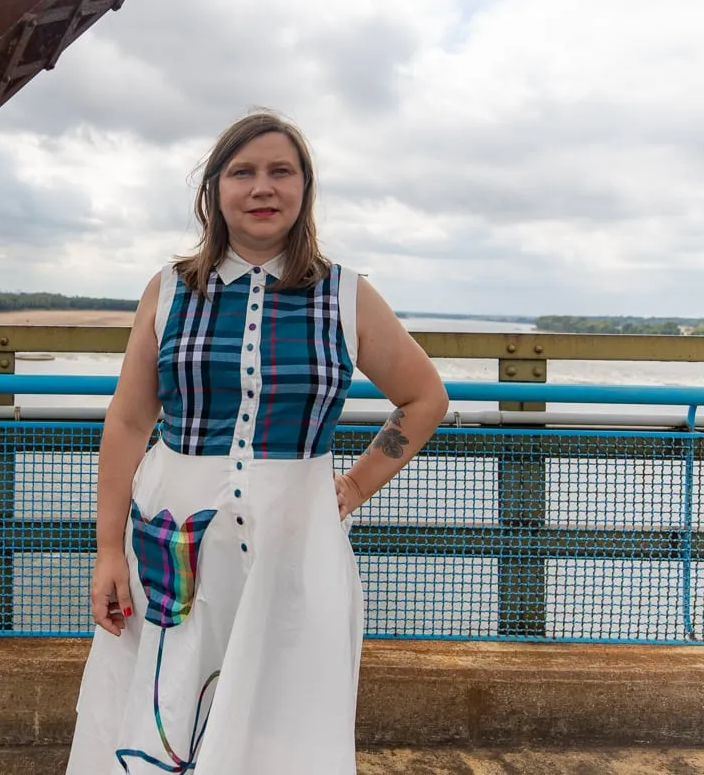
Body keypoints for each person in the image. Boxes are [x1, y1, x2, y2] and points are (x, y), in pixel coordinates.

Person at [65, 110, 449, 774]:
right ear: (214, 189)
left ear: (305, 188)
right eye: (242, 171)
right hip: (175, 542)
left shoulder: (346, 296)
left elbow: (425, 398)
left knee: (286, 718)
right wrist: (106, 551)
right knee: (164, 712)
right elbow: (128, 421)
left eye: (281, 171)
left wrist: (355, 485)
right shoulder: (170, 290)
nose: (262, 187)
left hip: (298, 550)